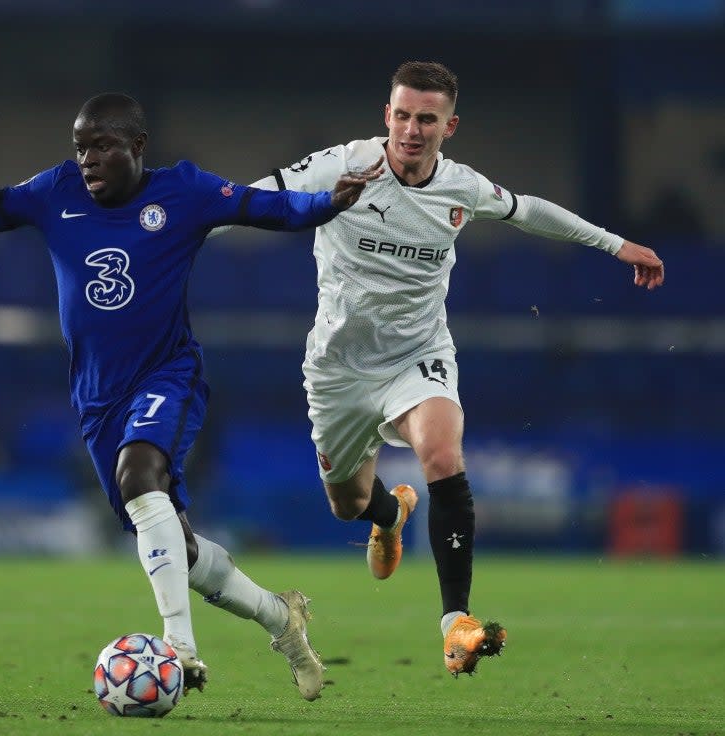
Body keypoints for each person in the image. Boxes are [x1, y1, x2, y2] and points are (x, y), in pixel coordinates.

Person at [214, 61, 664, 677]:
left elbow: (529, 209)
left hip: (416, 356)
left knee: (442, 455)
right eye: (402, 115)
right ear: (387, 117)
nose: (412, 129)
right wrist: (176, 231)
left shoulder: (462, 188)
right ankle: (389, 517)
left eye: (427, 118)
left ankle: (457, 623)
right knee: (348, 504)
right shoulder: (345, 164)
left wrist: (617, 245)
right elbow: (252, 197)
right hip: (338, 370)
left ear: (449, 125)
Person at [0, 94, 380, 700]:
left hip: (168, 373)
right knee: (180, 548)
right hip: (96, 399)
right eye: (80, 147)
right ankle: (282, 619)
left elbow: (267, 208)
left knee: (140, 477)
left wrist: (327, 202)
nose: (87, 159)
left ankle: (179, 649)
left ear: (137, 148)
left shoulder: (184, 192)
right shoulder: (54, 190)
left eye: (102, 146)